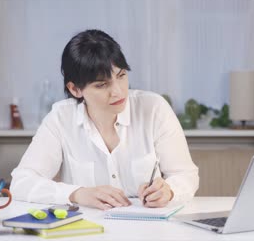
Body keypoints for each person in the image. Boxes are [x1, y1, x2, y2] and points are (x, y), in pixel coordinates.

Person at [10, 29, 199, 210]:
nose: (118, 91)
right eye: (102, 85)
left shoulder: (154, 108)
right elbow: (22, 182)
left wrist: (169, 191)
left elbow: (185, 175)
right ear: (75, 89)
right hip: (87, 230)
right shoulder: (60, 119)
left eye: (122, 75)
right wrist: (77, 193)